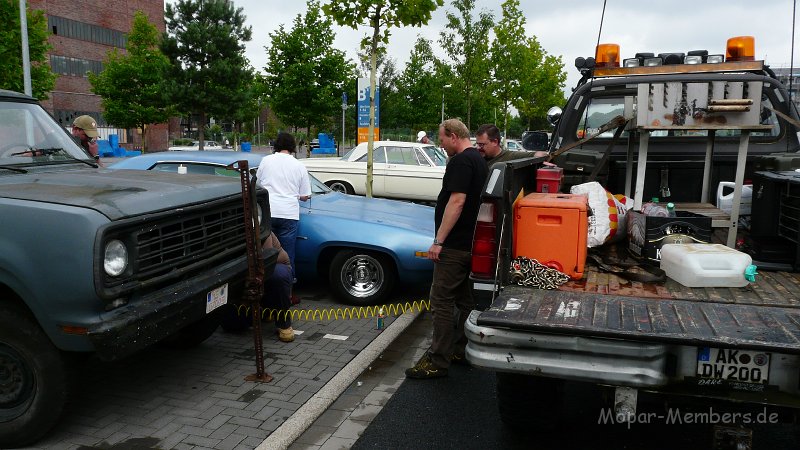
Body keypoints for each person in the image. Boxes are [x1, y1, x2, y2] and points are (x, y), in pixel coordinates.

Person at [405, 118, 488, 379]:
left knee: (440, 301)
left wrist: (439, 241)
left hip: (454, 246)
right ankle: (461, 350)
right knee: (464, 301)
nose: (441, 145)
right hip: (470, 244)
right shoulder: (478, 159)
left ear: (453, 136)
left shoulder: (462, 161)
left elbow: (457, 201)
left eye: (441, 139)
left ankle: (437, 360)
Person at [256, 132, 311, 283]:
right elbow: (305, 195)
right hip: (289, 214)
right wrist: (299, 196)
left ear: (276, 145)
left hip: (268, 213)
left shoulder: (266, 161)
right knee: (287, 254)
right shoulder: (299, 166)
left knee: (266, 253)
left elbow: (257, 185)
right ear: (292, 147)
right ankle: (288, 290)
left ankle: (266, 285)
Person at [262, 231, 295, 342]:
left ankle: (284, 323)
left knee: (277, 276)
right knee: (233, 324)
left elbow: (266, 260)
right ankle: (267, 310)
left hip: (275, 266)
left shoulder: (263, 231)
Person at [475, 124, 550, 166]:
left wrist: (547, 158)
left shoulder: (510, 157)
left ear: (495, 142)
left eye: (481, 145)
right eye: (477, 144)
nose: (478, 148)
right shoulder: (474, 157)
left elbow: (539, 155)